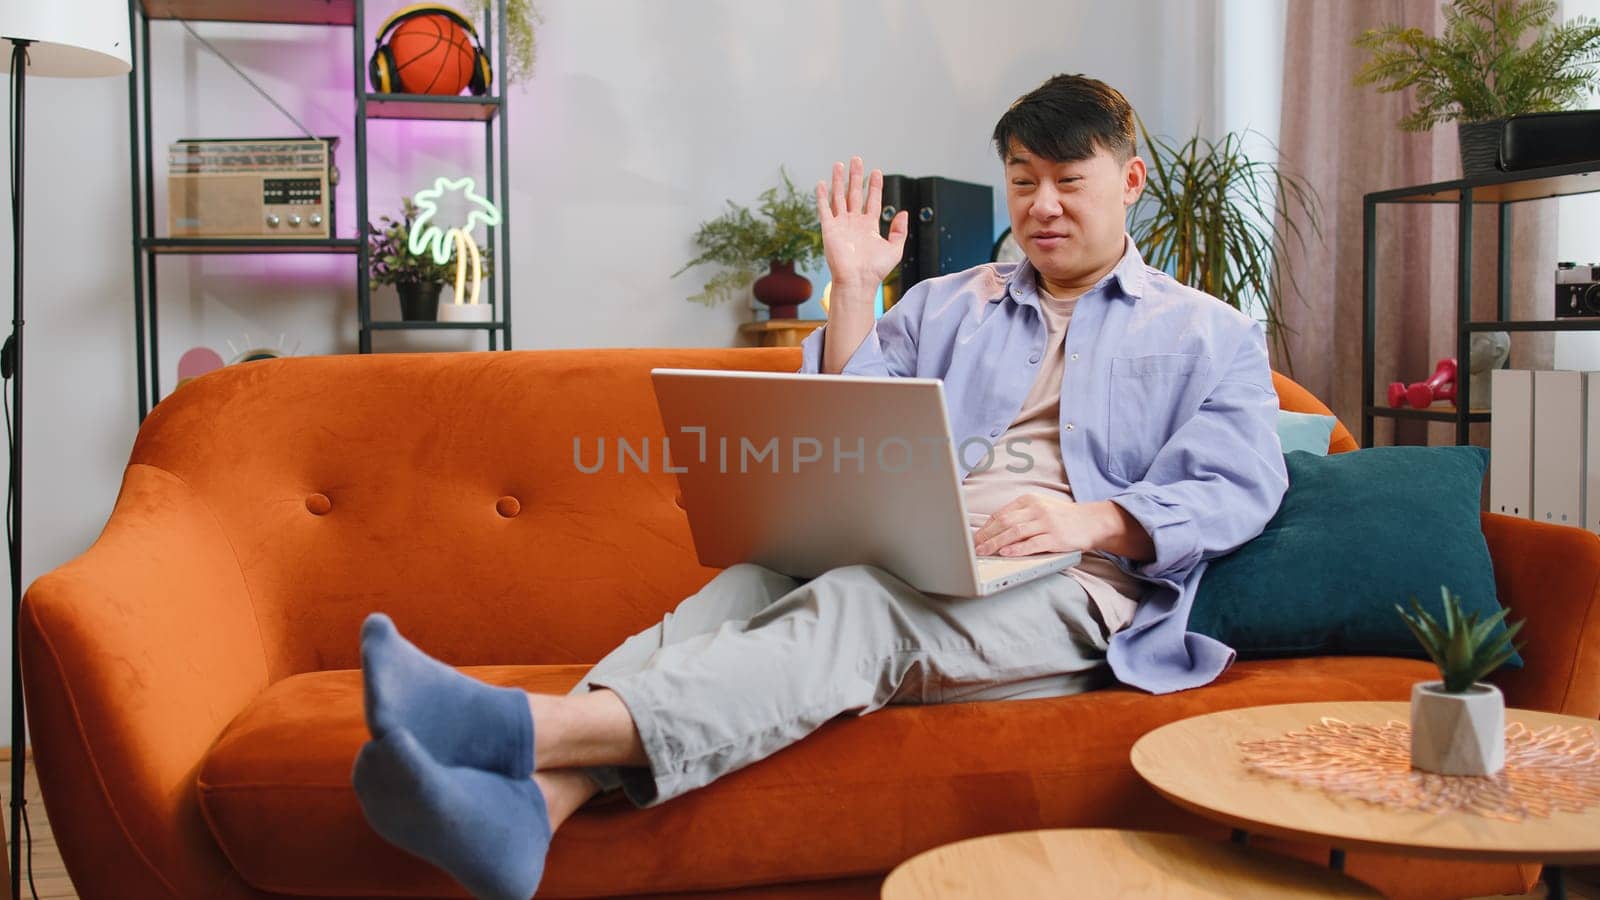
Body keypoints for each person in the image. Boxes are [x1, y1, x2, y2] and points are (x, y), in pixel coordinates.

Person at [348, 73, 1288, 900]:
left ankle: (513, 731)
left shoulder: (1210, 333)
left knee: (859, 606)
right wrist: (851, 293)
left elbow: (1238, 484)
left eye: (1068, 182)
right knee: (749, 585)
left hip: (1072, 586)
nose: (1041, 204)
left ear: (1130, 181)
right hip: (915, 546)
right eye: (1022, 179)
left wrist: (1088, 516)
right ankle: (536, 806)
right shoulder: (942, 303)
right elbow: (843, 434)